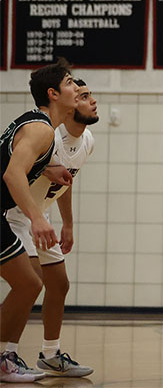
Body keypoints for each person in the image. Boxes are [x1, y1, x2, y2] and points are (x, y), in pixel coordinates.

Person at [4, 80, 98, 378]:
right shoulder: (48, 133)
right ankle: (8, 355)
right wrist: (37, 216)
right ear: (67, 105)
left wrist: (67, 223)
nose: (91, 100)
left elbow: (64, 181)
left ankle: (50, 354)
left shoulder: (87, 141)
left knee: (59, 284)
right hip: (19, 215)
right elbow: (21, 166)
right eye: (82, 95)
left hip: (39, 217)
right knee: (30, 284)